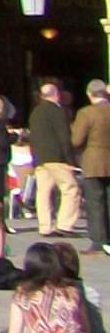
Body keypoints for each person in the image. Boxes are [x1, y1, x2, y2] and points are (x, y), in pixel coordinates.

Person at [25, 80, 79, 238]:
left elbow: (32, 137)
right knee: (71, 189)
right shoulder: (58, 111)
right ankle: (65, 225)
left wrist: (35, 159)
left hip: (41, 158)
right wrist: (70, 159)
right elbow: (64, 137)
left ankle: (45, 226)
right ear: (57, 95)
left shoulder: (35, 112)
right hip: (57, 157)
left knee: (43, 192)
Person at [72, 79, 110, 258]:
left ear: (89, 94)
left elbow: (76, 140)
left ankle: (98, 240)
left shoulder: (86, 113)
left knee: (95, 202)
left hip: (93, 162)